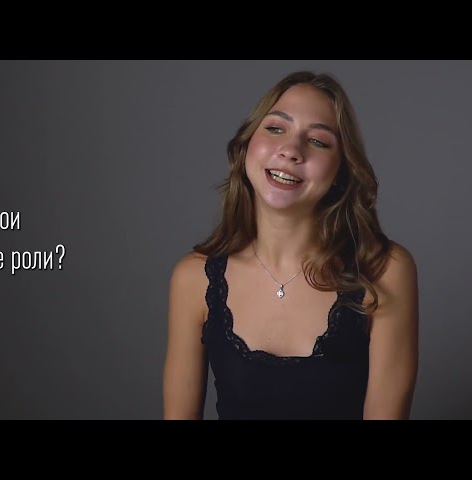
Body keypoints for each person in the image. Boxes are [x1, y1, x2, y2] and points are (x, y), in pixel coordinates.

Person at [162, 70, 419, 420]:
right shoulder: (193, 279)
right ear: (246, 145)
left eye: (318, 141)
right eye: (275, 128)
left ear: (341, 172)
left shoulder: (385, 272)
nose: (291, 150)